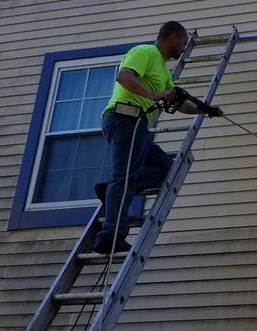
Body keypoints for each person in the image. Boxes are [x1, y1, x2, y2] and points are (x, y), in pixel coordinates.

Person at [92, 21, 223, 254]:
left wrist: (206, 110)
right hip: (125, 117)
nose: (184, 48)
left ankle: (109, 190)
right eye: (183, 43)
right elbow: (124, 76)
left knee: (166, 167)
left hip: (136, 124)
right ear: (172, 37)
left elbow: (180, 104)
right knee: (123, 177)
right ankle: (110, 235)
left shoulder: (163, 71)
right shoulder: (145, 52)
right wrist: (154, 95)